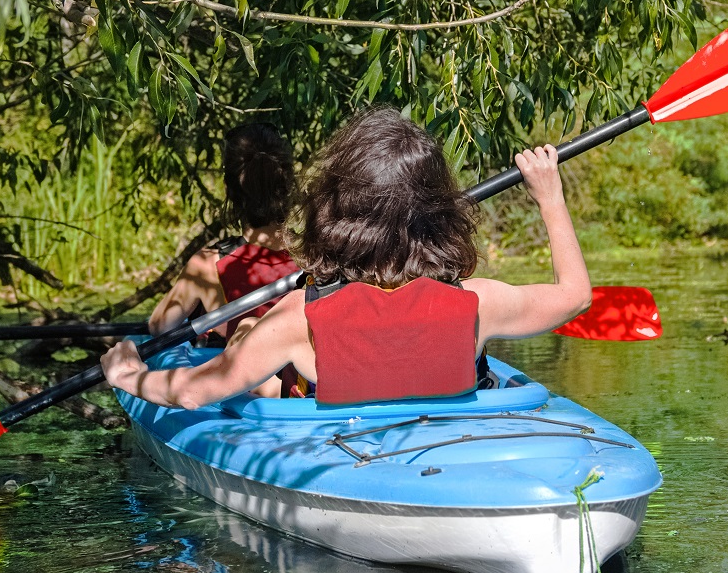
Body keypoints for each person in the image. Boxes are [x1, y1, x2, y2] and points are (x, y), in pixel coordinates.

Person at [101, 108, 591, 409]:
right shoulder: (480, 302)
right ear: (439, 211)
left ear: (335, 211)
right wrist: (550, 198)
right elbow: (574, 295)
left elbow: (192, 392)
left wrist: (127, 375)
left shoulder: (300, 318)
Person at [146, 123, 299, 351]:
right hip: (303, 380)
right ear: (288, 184)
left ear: (228, 188)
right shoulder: (318, 254)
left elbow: (159, 327)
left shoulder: (207, 266)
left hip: (247, 382)